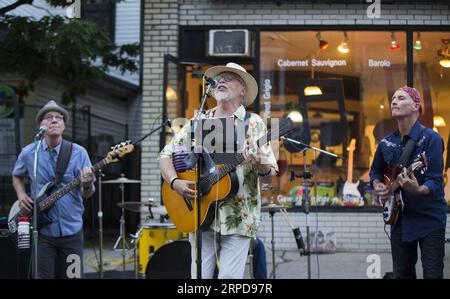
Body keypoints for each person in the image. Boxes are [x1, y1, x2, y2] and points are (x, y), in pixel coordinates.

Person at [159, 63, 278, 279]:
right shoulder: (198, 121)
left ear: (243, 91)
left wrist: (258, 160)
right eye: (219, 78)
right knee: (199, 279)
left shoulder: (254, 123)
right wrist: (175, 182)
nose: (221, 80)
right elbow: (166, 155)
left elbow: (269, 169)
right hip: (199, 211)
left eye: (229, 78)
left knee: (228, 281)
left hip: (238, 216)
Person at [12, 100, 95, 279]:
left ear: (64, 125)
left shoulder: (79, 153)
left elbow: (87, 193)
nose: (54, 120)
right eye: (49, 117)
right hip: (42, 232)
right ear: (41, 125)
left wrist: (87, 183)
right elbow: (17, 175)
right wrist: (21, 195)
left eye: (59, 118)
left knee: (73, 277)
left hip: (71, 230)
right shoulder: (29, 153)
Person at [369, 86, 446, 279]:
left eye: (401, 98)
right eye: (393, 98)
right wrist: (377, 184)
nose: (394, 101)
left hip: (429, 218)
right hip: (400, 217)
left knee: (432, 273)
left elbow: (436, 181)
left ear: (416, 106)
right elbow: (375, 171)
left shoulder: (431, 139)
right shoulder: (385, 143)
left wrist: (418, 189)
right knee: (402, 273)